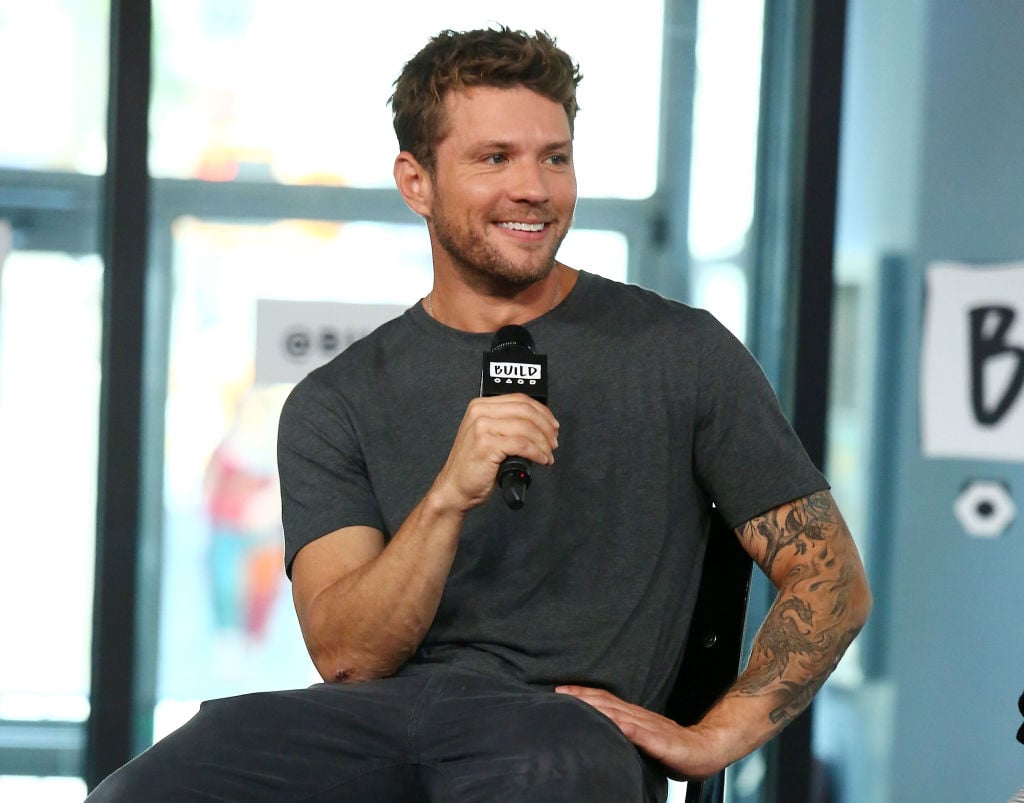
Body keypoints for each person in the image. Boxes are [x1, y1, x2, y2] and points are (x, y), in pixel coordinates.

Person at [88, 26, 871, 802]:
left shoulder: (681, 352)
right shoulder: (336, 401)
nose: (534, 188)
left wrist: (715, 737)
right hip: (372, 726)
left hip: (560, 733)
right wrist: (447, 496)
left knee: (546, 773)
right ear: (416, 181)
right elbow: (350, 657)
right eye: (495, 158)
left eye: (554, 157)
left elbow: (829, 575)